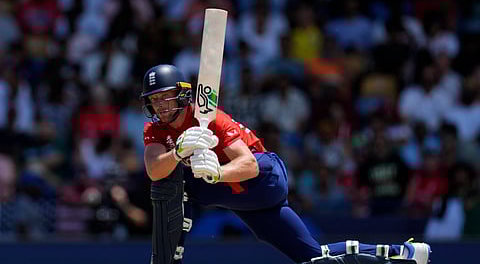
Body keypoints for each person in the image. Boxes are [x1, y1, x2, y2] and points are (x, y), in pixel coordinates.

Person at [141, 65, 431, 264]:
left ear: (182, 93)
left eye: (165, 96)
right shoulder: (155, 130)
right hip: (236, 198)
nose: (161, 105)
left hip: (263, 180)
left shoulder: (211, 117)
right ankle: (402, 254)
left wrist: (217, 173)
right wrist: (178, 153)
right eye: (154, 100)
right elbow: (154, 169)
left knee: (187, 180)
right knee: (314, 258)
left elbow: (249, 165)